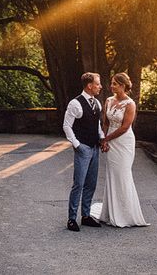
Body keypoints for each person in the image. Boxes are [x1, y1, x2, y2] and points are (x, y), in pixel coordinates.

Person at [91, 73, 149, 227]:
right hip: (109, 140)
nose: (111, 86)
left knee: (123, 174)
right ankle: (111, 211)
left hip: (123, 142)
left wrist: (106, 139)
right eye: (112, 83)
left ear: (123, 85)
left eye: (115, 84)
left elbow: (125, 127)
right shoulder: (109, 100)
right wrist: (103, 138)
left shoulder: (130, 104)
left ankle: (126, 214)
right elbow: (105, 122)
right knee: (112, 174)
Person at [62, 71, 106, 232]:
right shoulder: (75, 103)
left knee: (91, 184)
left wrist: (101, 138)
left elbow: (98, 125)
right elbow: (66, 126)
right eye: (98, 83)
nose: (100, 86)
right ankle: (72, 219)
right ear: (89, 85)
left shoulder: (97, 103)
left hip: (95, 147)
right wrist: (76, 144)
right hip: (83, 148)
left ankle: (86, 216)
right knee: (78, 184)